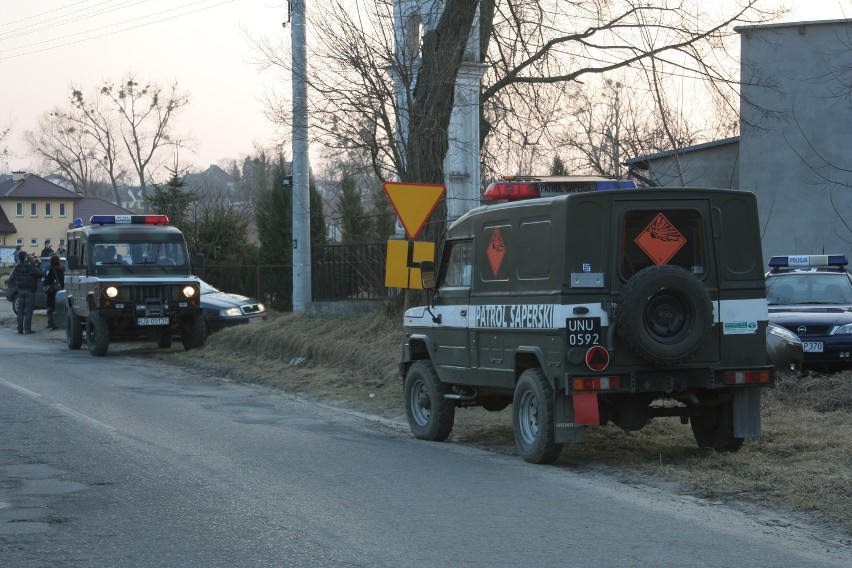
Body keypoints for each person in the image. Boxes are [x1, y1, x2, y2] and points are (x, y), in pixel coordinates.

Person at [9, 251, 43, 334]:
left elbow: (13, 276)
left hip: (20, 290)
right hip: (30, 291)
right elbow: (40, 274)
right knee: (28, 310)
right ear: (25, 257)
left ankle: (19, 329)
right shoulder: (31, 267)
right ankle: (27, 329)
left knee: (20, 310)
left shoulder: (17, 267)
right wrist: (37, 264)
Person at [44, 254, 65, 331]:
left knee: (50, 309)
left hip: (52, 292)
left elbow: (47, 280)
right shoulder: (62, 269)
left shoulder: (52, 270)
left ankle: (51, 323)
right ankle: (59, 323)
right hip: (60, 290)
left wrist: (46, 285)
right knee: (58, 308)